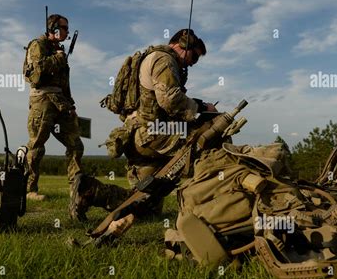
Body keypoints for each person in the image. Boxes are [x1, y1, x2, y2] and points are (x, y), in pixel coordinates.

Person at [70, 29, 216, 222]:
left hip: (136, 137)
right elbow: (169, 99)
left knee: (145, 207)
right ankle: (216, 207)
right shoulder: (164, 59)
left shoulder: (148, 58)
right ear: (182, 44)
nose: (192, 62)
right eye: (194, 56)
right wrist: (202, 107)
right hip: (154, 135)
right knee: (209, 140)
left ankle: (90, 191)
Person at [24, 14, 84, 201]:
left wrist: (70, 104)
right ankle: (29, 190)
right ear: (53, 28)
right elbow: (35, 75)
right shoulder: (38, 45)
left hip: (60, 101)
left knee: (76, 145)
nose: (67, 31)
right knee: (37, 145)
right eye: (64, 27)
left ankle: (76, 189)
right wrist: (58, 59)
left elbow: (64, 82)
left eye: (67, 28)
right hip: (42, 100)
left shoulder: (59, 50)